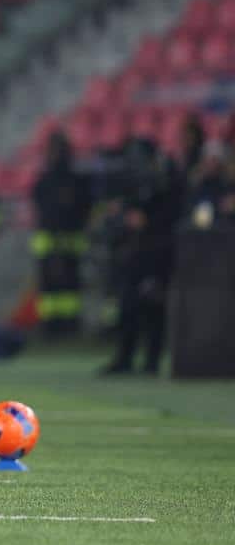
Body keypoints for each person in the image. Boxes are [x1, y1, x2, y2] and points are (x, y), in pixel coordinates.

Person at [101, 137, 183, 375]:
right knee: (129, 305)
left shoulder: (166, 183)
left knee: (153, 306)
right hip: (135, 253)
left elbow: (168, 216)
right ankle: (126, 357)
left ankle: (150, 360)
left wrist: (142, 221)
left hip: (157, 253)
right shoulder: (136, 183)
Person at [30, 131, 94, 335]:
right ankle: (50, 325)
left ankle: (68, 324)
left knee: (69, 286)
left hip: (70, 242)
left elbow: (86, 208)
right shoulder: (45, 180)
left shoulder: (76, 181)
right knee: (50, 288)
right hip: (49, 242)